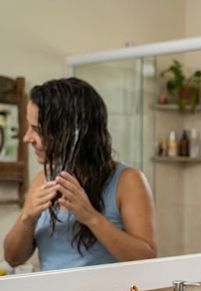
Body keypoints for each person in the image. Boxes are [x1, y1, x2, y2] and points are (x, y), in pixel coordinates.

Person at [4, 77, 157, 271]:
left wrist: (90, 217)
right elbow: (12, 258)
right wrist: (27, 218)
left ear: (70, 133)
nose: (27, 138)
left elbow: (148, 259)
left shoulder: (128, 181)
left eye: (37, 130)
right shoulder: (44, 179)